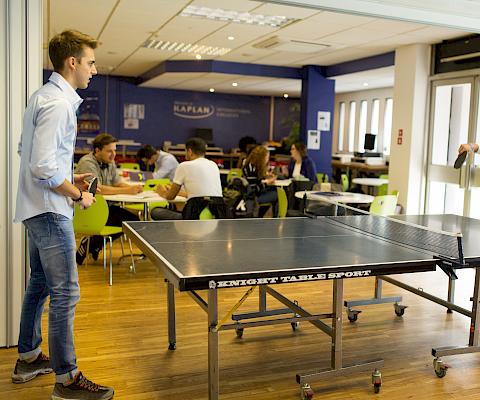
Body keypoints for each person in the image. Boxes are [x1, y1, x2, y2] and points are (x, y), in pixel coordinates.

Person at [13, 30, 114, 400]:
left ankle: (28, 357)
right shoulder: (57, 103)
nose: (94, 69)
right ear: (72, 62)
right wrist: (77, 194)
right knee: (66, 293)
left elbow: (27, 150)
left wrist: (71, 175)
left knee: (39, 284)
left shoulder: (43, 96)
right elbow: (41, 165)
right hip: (50, 211)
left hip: (34, 207)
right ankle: (67, 379)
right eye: (90, 62)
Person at [75, 132, 142, 265]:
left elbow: (117, 182)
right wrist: (127, 190)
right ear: (97, 150)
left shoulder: (109, 162)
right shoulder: (87, 162)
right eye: (109, 151)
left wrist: (134, 188)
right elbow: (98, 189)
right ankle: (91, 242)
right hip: (89, 209)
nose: (113, 154)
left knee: (133, 222)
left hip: (106, 207)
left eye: (115, 150)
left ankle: (94, 243)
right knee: (127, 222)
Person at [152, 137, 229, 220]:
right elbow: (202, 194)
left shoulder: (184, 166)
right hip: (218, 215)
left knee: (155, 212)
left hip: (193, 216)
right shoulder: (213, 165)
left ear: (190, 151)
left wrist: (162, 192)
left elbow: (170, 197)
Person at [242, 145, 279, 217]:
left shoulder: (249, 166)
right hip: (253, 197)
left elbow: (254, 183)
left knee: (273, 189)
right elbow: (255, 189)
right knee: (278, 195)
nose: (267, 160)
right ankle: (275, 217)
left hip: (250, 195)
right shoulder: (252, 169)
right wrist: (268, 182)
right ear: (261, 157)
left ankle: (260, 215)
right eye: (267, 157)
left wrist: (265, 177)